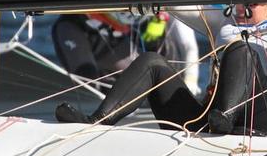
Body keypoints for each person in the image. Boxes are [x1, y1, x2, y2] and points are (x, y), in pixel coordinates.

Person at [55, 1, 267, 135]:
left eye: (252, 3)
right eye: (239, 1)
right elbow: (179, 6)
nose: (240, 7)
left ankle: (225, 119)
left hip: (264, 125)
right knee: (151, 62)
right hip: (208, 118)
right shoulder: (226, 23)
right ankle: (98, 120)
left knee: (243, 49)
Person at [52, 10, 200, 95]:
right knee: (86, 78)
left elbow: (187, 47)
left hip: (119, 26)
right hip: (78, 24)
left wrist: (190, 81)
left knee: (158, 64)